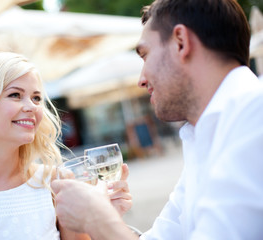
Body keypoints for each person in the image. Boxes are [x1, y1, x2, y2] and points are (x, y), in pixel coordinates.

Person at [51, 0, 263, 239]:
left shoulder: (256, 114)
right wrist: (106, 217)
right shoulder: (204, 135)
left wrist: (96, 217)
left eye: (145, 55)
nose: (141, 79)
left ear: (181, 42)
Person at [0, 52, 132, 240]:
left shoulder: (57, 183)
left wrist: (105, 219)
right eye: (15, 95)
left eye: (36, 98)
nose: (31, 107)